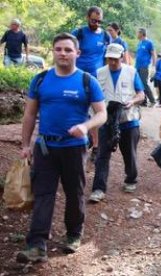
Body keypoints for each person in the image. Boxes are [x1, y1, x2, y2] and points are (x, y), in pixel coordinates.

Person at [16, 33, 107, 263]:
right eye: (58, 49)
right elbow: (29, 115)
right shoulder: (40, 80)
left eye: (68, 49)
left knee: (74, 193)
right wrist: (26, 144)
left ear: (78, 53)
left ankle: (74, 235)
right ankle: (36, 245)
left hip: (74, 148)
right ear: (53, 52)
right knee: (43, 194)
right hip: (45, 147)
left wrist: (86, 127)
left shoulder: (87, 81)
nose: (63, 53)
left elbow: (102, 113)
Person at [89, 43, 145, 202]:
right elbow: (93, 97)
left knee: (130, 153)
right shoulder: (99, 73)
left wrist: (133, 101)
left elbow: (141, 94)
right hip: (106, 120)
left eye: (115, 59)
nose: (112, 62)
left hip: (128, 119)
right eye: (109, 59)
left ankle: (131, 179)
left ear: (121, 57)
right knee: (102, 155)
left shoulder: (131, 72)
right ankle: (98, 188)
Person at [72, 6, 111, 162]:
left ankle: (96, 146)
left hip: (96, 80)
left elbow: (108, 57)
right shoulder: (79, 33)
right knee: (77, 109)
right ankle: (77, 141)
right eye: (94, 20)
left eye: (99, 21)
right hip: (78, 78)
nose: (96, 23)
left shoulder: (106, 36)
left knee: (97, 113)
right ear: (87, 17)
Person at [135, 28, 157, 107]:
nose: (136, 34)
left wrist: (154, 66)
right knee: (139, 84)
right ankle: (143, 101)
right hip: (137, 66)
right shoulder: (139, 43)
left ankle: (152, 100)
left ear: (142, 33)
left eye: (138, 33)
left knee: (144, 83)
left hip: (144, 66)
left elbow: (154, 54)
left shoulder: (149, 43)